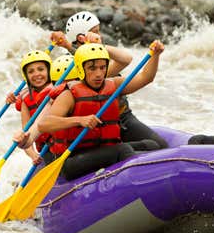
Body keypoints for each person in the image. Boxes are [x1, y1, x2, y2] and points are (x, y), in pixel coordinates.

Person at [26, 41, 165, 181]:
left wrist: (155, 55)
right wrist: (79, 120)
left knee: (152, 145)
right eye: (92, 68)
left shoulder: (113, 84)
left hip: (102, 149)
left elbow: (145, 78)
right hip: (72, 160)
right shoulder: (69, 94)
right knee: (122, 150)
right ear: (81, 69)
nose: (98, 74)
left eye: (102, 67)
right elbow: (44, 124)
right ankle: (140, 183)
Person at [51, 11, 168, 149]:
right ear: (82, 38)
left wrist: (155, 55)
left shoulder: (102, 64)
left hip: (123, 118)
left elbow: (127, 61)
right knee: (137, 148)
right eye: (95, 32)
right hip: (95, 126)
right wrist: (70, 47)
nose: (98, 72)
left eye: (98, 32)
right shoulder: (75, 69)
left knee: (159, 145)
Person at [14, 50, 53, 165]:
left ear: (49, 71)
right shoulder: (26, 100)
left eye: (41, 69)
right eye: (31, 72)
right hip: (48, 150)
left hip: (67, 143)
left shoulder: (59, 88)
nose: (36, 74)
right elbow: (26, 133)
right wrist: (33, 155)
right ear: (26, 76)